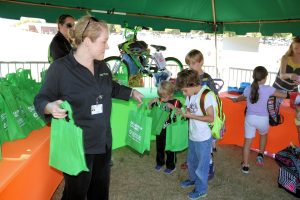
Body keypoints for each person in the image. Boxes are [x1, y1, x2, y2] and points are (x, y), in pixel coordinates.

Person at [34, 16, 144, 200]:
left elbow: (111, 87)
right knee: (76, 193)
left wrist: (131, 92)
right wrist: (50, 107)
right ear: (86, 41)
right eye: (104, 41)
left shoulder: (102, 66)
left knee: (100, 192)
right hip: (77, 144)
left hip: (103, 142)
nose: (108, 46)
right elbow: (40, 100)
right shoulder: (60, 69)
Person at [232, 66, 286, 174]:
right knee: (263, 135)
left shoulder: (248, 89)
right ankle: (260, 155)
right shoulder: (268, 89)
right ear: (265, 78)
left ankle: (246, 166)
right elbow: (283, 95)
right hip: (263, 119)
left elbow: (240, 98)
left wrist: (235, 100)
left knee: (247, 142)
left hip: (250, 118)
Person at [176, 69, 216, 199]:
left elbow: (211, 118)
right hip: (193, 135)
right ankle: (193, 180)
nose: (183, 93)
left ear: (193, 85)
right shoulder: (190, 94)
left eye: (184, 90)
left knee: (202, 166)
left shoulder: (207, 95)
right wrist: (182, 111)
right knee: (191, 161)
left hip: (203, 138)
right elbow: (188, 108)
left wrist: (191, 115)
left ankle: (201, 189)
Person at [183, 49, 217, 181]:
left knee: (205, 148)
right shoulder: (189, 77)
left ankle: (209, 166)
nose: (190, 67)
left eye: (193, 63)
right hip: (194, 119)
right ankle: (194, 165)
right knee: (195, 144)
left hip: (205, 118)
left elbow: (215, 97)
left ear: (201, 62)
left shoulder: (207, 78)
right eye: (188, 64)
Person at [148, 80, 182, 174]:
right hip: (160, 129)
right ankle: (160, 162)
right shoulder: (159, 100)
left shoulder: (176, 102)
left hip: (171, 130)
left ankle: (171, 166)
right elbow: (150, 108)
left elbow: (181, 113)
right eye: (161, 96)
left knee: (170, 149)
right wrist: (151, 102)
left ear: (171, 93)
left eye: (165, 96)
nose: (162, 98)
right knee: (160, 147)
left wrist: (173, 107)